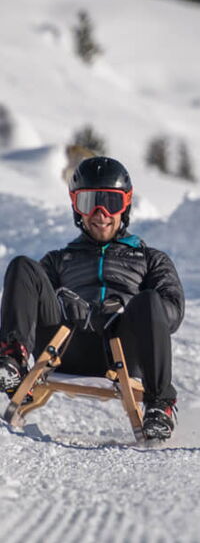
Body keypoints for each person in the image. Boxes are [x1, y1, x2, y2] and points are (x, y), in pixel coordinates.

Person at [0, 156, 184, 441]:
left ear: (126, 204)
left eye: (110, 202)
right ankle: (12, 361)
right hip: (63, 348)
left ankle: (160, 405)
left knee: (149, 299)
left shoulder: (150, 260)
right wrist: (61, 299)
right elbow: (28, 301)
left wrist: (126, 311)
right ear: (76, 207)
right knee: (23, 266)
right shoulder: (59, 260)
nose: (100, 214)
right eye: (89, 203)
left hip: (123, 351)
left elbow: (172, 310)